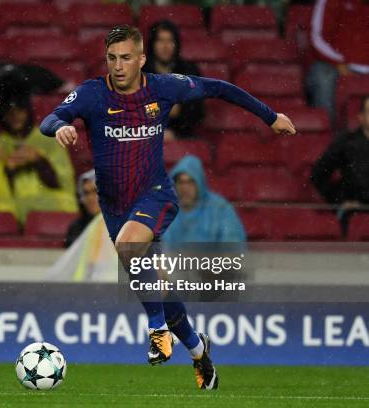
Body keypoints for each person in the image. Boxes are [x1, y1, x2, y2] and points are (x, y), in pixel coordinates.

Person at [40, 25, 296, 390]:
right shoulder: (92, 94)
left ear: (142, 58)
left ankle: (157, 331)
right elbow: (48, 119)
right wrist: (61, 126)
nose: (118, 66)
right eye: (112, 58)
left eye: (126, 57)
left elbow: (220, 88)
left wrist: (270, 116)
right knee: (155, 284)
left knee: (130, 247)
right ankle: (197, 350)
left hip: (156, 194)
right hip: (115, 205)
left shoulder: (163, 87)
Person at [0, 95, 77, 224]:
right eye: (9, 112)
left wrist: (39, 161)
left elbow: (64, 184)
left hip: (46, 204)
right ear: (2, 116)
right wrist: (7, 169)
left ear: (28, 111)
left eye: (20, 110)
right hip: (11, 208)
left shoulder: (48, 139)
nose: (15, 116)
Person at [311, 95, 369, 234]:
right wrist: (339, 201)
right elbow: (318, 175)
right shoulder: (346, 143)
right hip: (356, 215)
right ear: (361, 117)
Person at [306, 0, 369, 123]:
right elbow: (317, 38)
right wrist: (338, 62)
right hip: (335, 64)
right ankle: (327, 133)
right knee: (323, 75)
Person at [161, 155, 246, 245]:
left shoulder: (220, 208)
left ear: (200, 182)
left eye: (191, 182)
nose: (184, 188)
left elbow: (233, 246)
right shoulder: (164, 210)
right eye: (181, 182)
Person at [143, 20, 205, 140]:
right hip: (145, 137)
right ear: (152, 44)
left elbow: (197, 110)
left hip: (182, 136)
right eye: (160, 41)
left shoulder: (189, 71)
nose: (165, 46)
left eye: (170, 41)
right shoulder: (140, 72)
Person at [65, 169, 101, 247]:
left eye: (95, 191)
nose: (90, 198)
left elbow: (130, 258)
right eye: (86, 193)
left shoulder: (125, 227)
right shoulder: (77, 228)